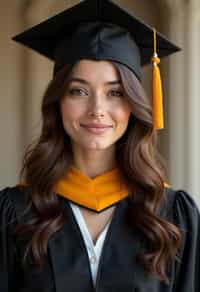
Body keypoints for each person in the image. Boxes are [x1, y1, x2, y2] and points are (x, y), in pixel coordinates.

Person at [0, 0, 199, 291]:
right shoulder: (15, 213)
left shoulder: (171, 216)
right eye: (79, 91)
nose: (97, 109)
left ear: (134, 105)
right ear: (58, 102)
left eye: (115, 92)